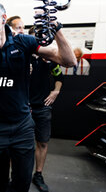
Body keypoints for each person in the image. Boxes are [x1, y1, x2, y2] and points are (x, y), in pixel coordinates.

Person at [0, 0, 76, 192]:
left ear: (3, 19)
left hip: (22, 127)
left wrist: (57, 30)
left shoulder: (24, 43)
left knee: (21, 184)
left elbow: (69, 61)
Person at [28, 26, 64, 192]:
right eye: (37, 36)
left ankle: (38, 174)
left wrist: (55, 91)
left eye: (43, 37)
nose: (41, 39)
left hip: (42, 107)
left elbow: (59, 76)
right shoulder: (22, 56)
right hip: (23, 107)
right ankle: (15, 175)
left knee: (42, 142)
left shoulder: (49, 59)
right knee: (16, 144)